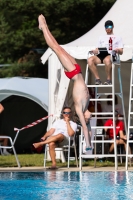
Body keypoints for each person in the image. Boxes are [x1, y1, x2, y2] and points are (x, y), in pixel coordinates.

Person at [38, 14, 92, 150]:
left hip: (73, 73)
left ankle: (44, 27)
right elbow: (89, 127)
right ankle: (44, 27)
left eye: (88, 119)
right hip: (77, 70)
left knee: (56, 48)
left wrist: (88, 145)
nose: (90, 116)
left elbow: (85, 129)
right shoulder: (86, 105)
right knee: (60, 48)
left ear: (82, 119)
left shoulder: (79, 110)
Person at [87, 20, 124, 85]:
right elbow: (97, 49)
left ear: (113, 27)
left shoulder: (118, 37)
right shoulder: (101, 37)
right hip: (101, 54)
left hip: (111, 54)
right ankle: (98, 79)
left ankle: (108, 80)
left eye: (109, 26)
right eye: (106, 27)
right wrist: (94, 51)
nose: (108, 28)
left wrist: (117, 50)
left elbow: (121, 51)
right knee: (90, 60)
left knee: (107, 60)